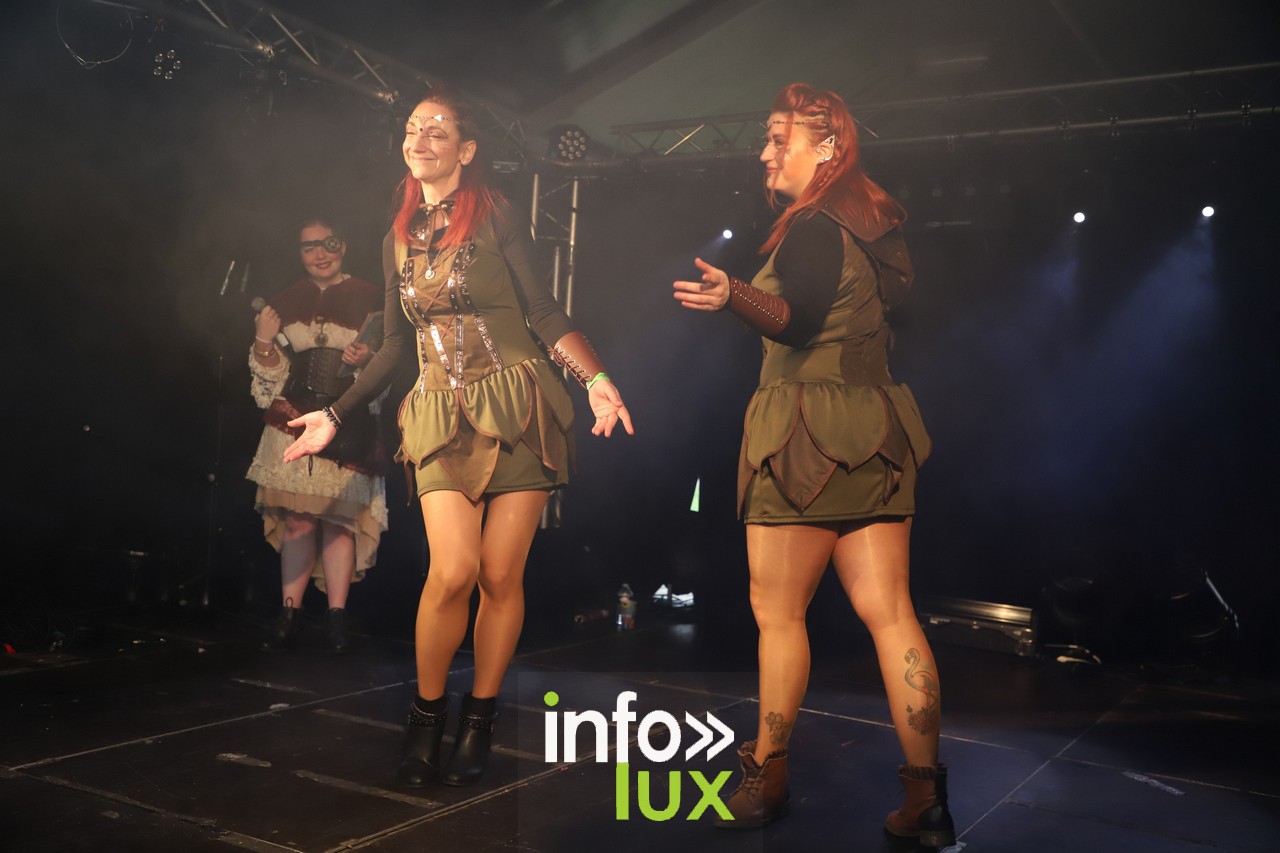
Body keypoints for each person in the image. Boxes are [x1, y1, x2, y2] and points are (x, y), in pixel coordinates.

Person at [282, 85, 634, 788]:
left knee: (500, 575)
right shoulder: (396, 238)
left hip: (519, 405)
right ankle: (425, 718)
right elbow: (392, 345)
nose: (420, 140)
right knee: (452, 572)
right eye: (413, 128)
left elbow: (542, 310)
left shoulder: (496, 215)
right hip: (440, 412)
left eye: (437, 131)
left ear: (466, 150)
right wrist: (337, 413)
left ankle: (480, 718)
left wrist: (595, 377)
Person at [673, 82, 954, 847]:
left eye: (778, 137)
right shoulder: (873, 223)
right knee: (890, 611)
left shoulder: (814, 224)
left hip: (804, 435)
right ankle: (926, 798)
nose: (765, 152)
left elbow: (793, 321)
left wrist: (735, 293)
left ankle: (765, 775)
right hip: (876, 428)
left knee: (779, 613)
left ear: (827, 146)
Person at [247, 220, 387, 654]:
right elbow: (269, 384)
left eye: (327, 245)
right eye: (309, 248)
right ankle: (290, 613)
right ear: (300, 253)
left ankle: (336, 617)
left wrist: (367, 359)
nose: (320, 255)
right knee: (299, 520)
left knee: (339, 522)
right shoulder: (285, 301)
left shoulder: (372, 298)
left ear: (343, 246)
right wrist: (263, 341)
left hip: (346, 421)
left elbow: (391, 368)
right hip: (293, 420)